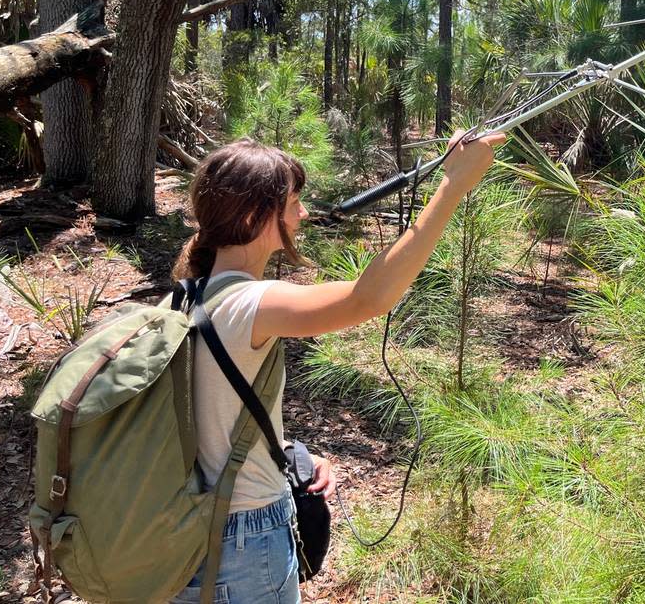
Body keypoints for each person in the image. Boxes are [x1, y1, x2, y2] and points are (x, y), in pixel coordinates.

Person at [168, 129, 506, 603]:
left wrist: (285, 451)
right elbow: (369, 297)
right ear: (253, 215)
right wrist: (452, 187)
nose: (302, 213)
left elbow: (203, 413)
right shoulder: (249, 301)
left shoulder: (187, 295)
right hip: (241, 540)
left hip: (186, 529)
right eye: (292, 203)